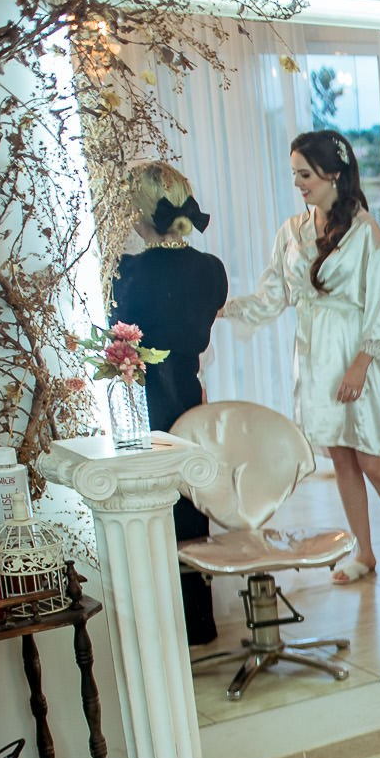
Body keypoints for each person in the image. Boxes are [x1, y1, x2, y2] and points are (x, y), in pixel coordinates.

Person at [220, 130, 380, 585]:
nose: (299, 184)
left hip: (358, 354)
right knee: (341, 457)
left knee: (373, 457)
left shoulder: (365, 231)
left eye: (305, 174)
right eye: (295, 175)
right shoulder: (292, 232)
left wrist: (361, 364)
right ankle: (365, 554)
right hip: (315, 354)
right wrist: (222, 307)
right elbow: (272, 295)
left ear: (333, 173)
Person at [111, 160, 228, 645]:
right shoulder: (210, 270)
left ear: (136, 214)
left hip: (145, 398)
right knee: (189, 504)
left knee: (150, 507)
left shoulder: (127, 272)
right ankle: (198, 620)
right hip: (191, 396)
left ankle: (160, 626)